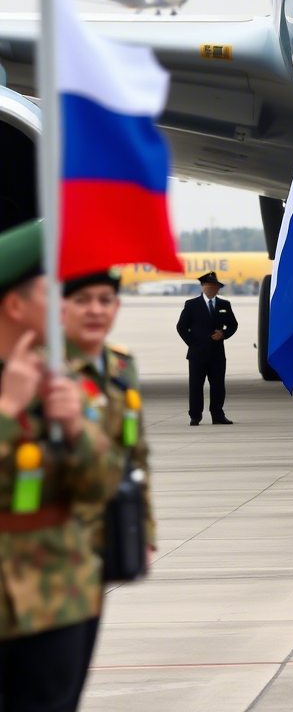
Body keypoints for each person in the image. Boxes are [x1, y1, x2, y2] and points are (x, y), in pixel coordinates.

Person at [0, 221, 116, 712]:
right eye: (54, 293)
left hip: (61, 587)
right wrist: (9, 409)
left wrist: (75, 428)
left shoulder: (63, 376)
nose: (68, 307)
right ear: (15, 304)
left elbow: (103, 481)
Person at [63, 267, 155, 669]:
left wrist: (144, 532)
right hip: (45, 546)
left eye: (104, 300)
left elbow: (135, 455)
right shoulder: (40, 370)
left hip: (98, 544)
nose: (95, 310)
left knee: (73, 673)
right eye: (81, 300)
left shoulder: (119, 367)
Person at [176, 272, 238, 425]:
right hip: (197, 354)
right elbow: (181, 327)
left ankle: (217, 415)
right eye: (207, 285)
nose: (210, 288)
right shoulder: (191, 305)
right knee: (196, 386)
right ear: (202, 287)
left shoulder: (224, 305)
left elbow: (233, 325)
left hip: (217, 353)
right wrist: (193, 343)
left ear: (218, 288)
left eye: (214, 286)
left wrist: (223, 334)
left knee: (217, 385)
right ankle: (195, 416)